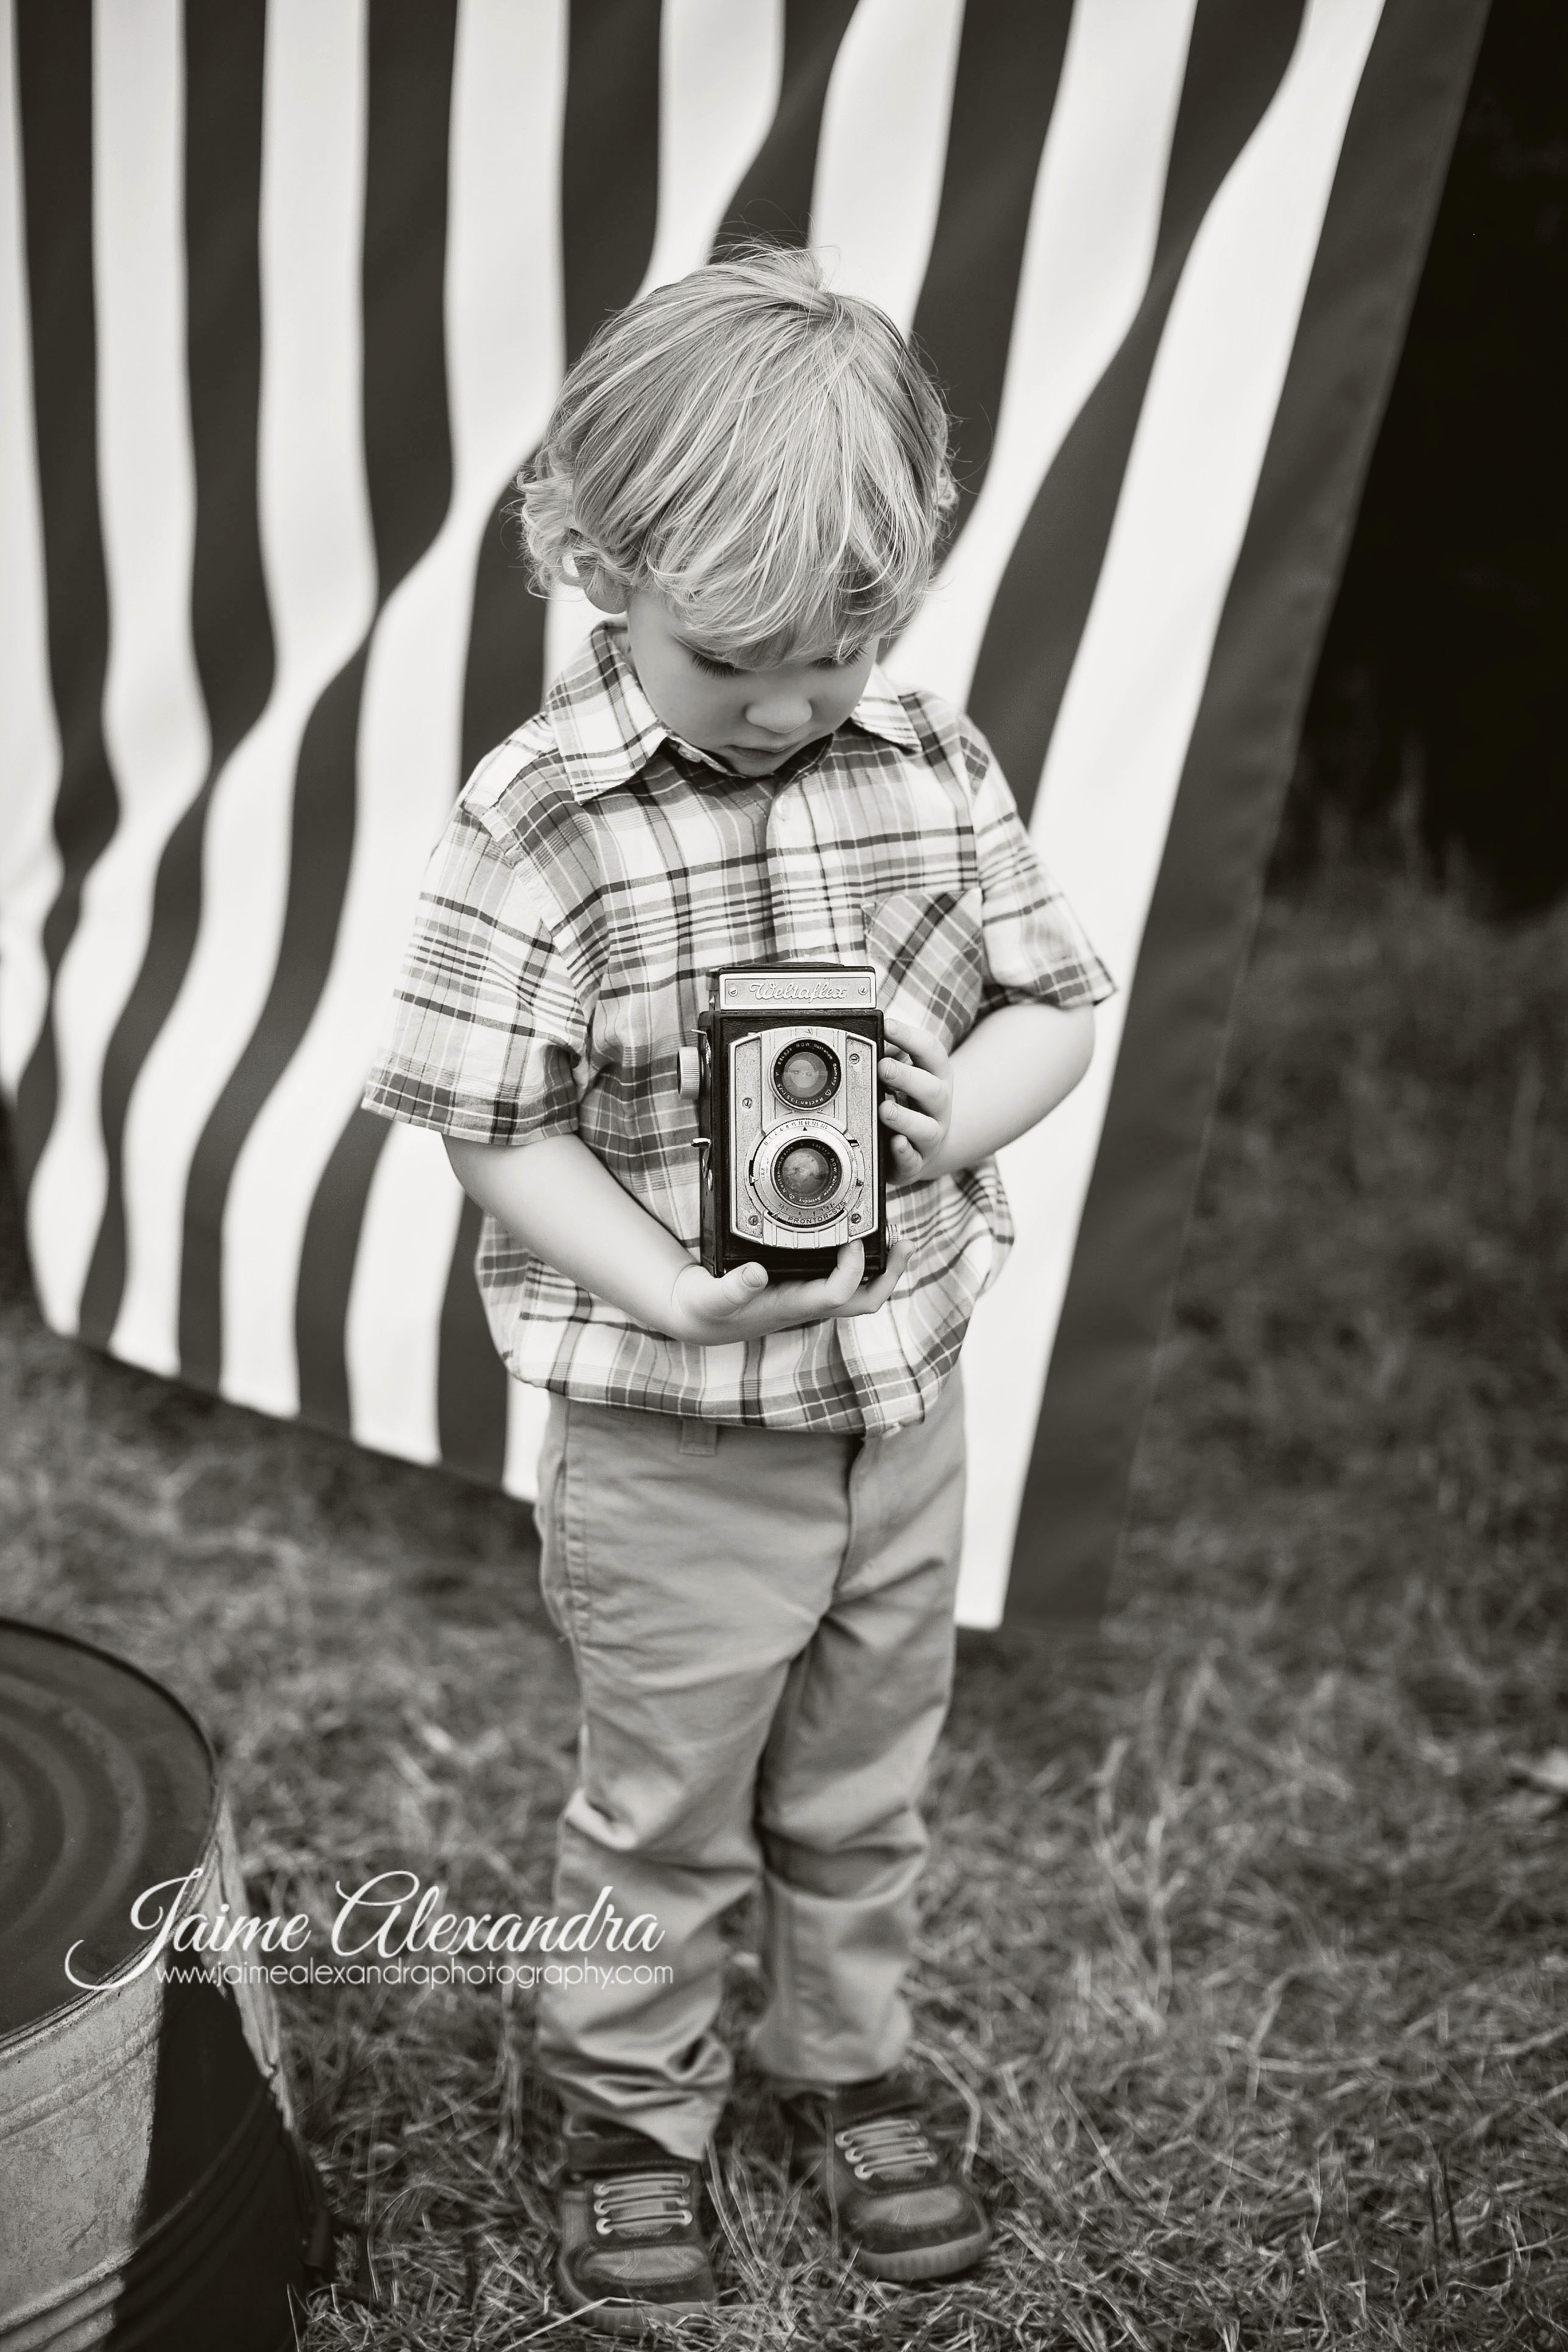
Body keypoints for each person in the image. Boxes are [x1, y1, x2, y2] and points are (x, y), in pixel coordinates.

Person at [363, 243, 1112, 2334]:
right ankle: (633, 2111)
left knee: (868, 1777)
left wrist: (947, 1121)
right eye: (742, 655)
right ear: (599, 562)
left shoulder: (928, 760)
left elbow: (1056, 1008)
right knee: (671, 1797)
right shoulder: (541, 821)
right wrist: (666, 1292)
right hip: (672, 1434)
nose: (798, 700)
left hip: (902, 1400)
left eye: (851, 638)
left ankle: (845, 2068)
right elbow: (484, 1115)